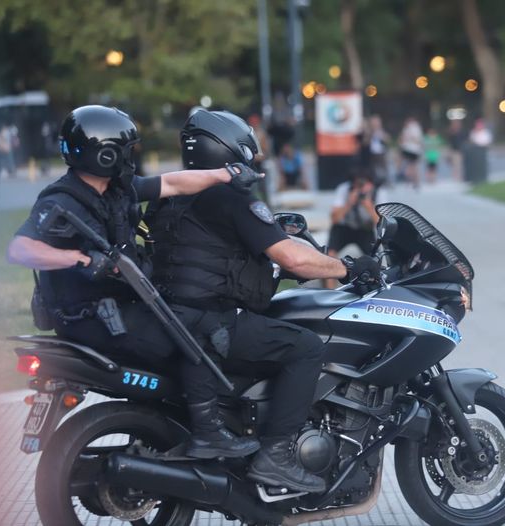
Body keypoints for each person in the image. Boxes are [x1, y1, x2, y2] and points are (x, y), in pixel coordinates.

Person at [6, 105, 263, 461]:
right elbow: (19, 249)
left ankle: (172, 421)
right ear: (106, 153)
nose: (131, 157)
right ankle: (208, 433)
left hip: (115, 310)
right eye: (126, 150)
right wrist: (80, 259)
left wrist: (226, 174)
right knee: (197, 331)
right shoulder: (63, 200)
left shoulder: (114, 190)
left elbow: (172, 182)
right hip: (90, 319)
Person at [147, 109, 381, 493]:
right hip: (211, 321)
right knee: (306, 347)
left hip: (176, 319)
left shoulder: (170, 197)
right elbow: (293, 256)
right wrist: (348, 268)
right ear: (228, 150)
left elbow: (218, 256)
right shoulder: (230, 196)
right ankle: (277, 456)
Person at [325, 166, 389, 287]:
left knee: (375, 261)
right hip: (343, 228)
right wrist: (349, 203)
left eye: (364, 183)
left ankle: (375, 287)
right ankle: (329, 290)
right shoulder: (344, 189)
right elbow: (335, 219)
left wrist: (369, 206)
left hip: (364, 230)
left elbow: (382, 223)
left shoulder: (379, 192)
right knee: (330, 256)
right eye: (357, 183)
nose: (361, 188)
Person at [398, 116, 423, 188]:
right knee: (411, 167)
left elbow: (417, 140)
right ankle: (411, 182)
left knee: (412, 167)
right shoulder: (408, 128)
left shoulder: (414, 128)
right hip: (409, 150)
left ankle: (413, 182)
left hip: (413, 150)